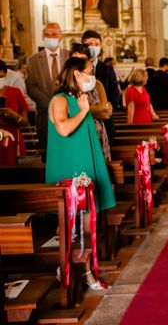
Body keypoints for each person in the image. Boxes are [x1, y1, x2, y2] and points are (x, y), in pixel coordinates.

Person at [46, 56, 115, 290]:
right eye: (89, 71)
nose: (92, 76)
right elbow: (63, 128)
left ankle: (87, 272)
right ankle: (66, 268)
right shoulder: (59, 100)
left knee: (88, 225)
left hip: (86, 166)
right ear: (76, 74)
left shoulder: (80, 98)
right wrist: (84, 110)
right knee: (70, 225)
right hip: (69, 169)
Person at [26, 22, 69, 152]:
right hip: (44, 116)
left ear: (60, 36)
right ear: (42, 37)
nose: (51, 38)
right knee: (48, 154)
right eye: (47, 35)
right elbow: (31, 87)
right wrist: (51, 104)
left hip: (69, 113)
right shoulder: (33, 60)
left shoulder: (70, 56)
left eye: (54, 34)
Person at [70, 43, 112, 161]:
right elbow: (74, 110)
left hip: (98, 132)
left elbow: (106, 113)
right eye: (75, 60)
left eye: (82, 60)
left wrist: (92, 109)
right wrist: (98, 108)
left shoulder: (96, 83)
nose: (78, 65)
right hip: (78, 134)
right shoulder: (68, 87)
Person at [81, 30, 119, 143]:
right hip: (82, 123)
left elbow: (115, 96)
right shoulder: (76, 68)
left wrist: (107, 110)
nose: (93, 47)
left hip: (105, 123)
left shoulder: (108, 69)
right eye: (90, 44)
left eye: (96, 44)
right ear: (83, 46)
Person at [0, 60, 28, 164]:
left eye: (1, 77)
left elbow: (25, 122)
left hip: (12, 139)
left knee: (13, 175)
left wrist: (15, 116)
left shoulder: (15, 92)